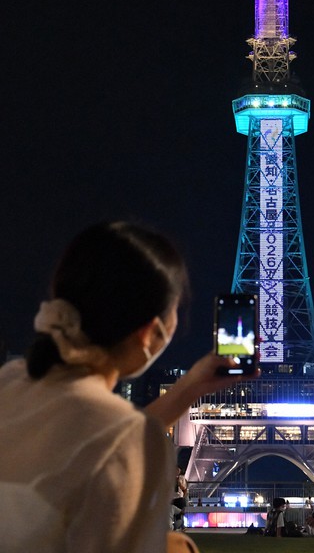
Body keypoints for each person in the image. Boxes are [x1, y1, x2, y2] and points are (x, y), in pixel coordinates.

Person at [0, 221, 247, 553]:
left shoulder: (11, 380)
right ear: (149, 333)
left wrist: (190, 387)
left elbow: (92, 439)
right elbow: (112, 441)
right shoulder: (128, 439)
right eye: (176, 310)